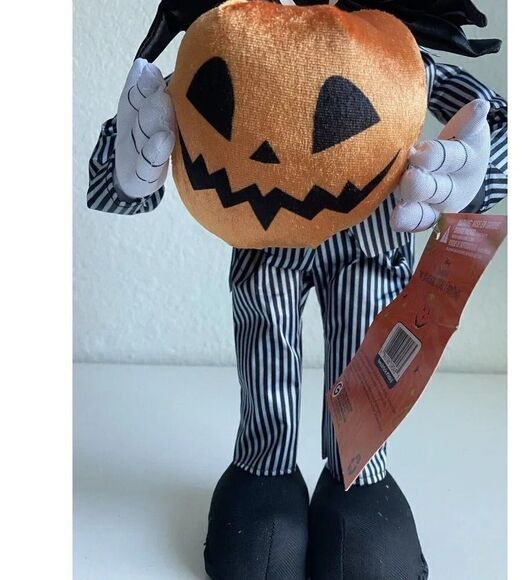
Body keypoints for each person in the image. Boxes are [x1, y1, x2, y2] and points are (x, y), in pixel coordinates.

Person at [87, 1, 507, 578]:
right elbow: (141, 129)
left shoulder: (395, 52)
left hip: (368, 243)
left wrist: (477, 168)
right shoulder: (231, 37)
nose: (271, 146)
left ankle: (359, 477)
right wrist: (129, 164)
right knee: (265, 342)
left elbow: (497, 117)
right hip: (263, 237)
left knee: (365, 354)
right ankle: (264, 471)